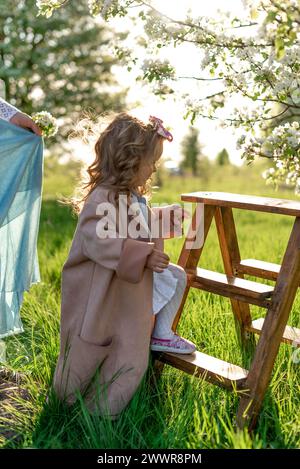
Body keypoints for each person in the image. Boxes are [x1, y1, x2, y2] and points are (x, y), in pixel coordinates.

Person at [52, 112, 196, 419]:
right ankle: (71, 408)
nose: (153, 169)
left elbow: (137, 224)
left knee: (127, 351)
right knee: (91, 350)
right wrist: (143, 255)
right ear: (128, 160)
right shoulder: (102, 198)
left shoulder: (131, 197)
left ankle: (107, 411)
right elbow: (98, 241)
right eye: (151, 161)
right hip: (99, 292)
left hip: (125, 291)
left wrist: (163, 219)